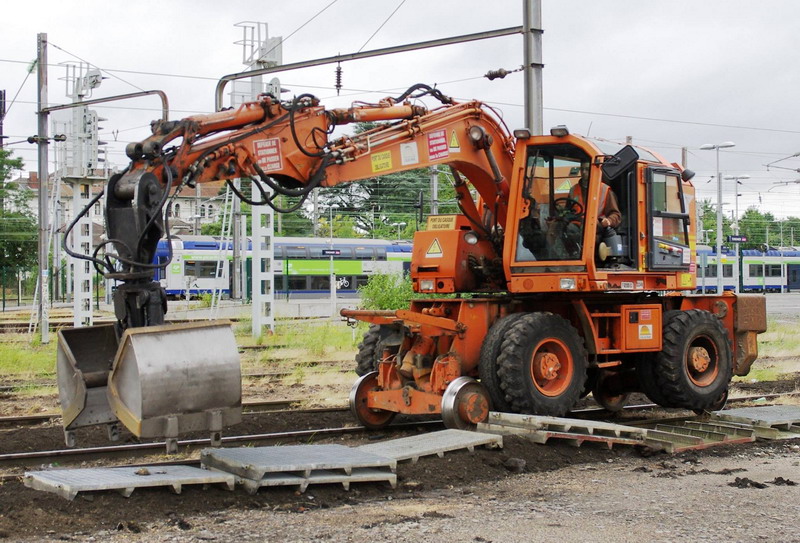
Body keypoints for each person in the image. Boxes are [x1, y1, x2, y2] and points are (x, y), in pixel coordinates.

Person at [569, 162, 621, 230]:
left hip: (596, 229)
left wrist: (609, 221)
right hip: (576, 229)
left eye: (587, 169)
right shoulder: (573, 190)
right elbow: (568, 210)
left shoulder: (604, 190)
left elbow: (615, 214)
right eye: (582, 169)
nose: (584, 172)